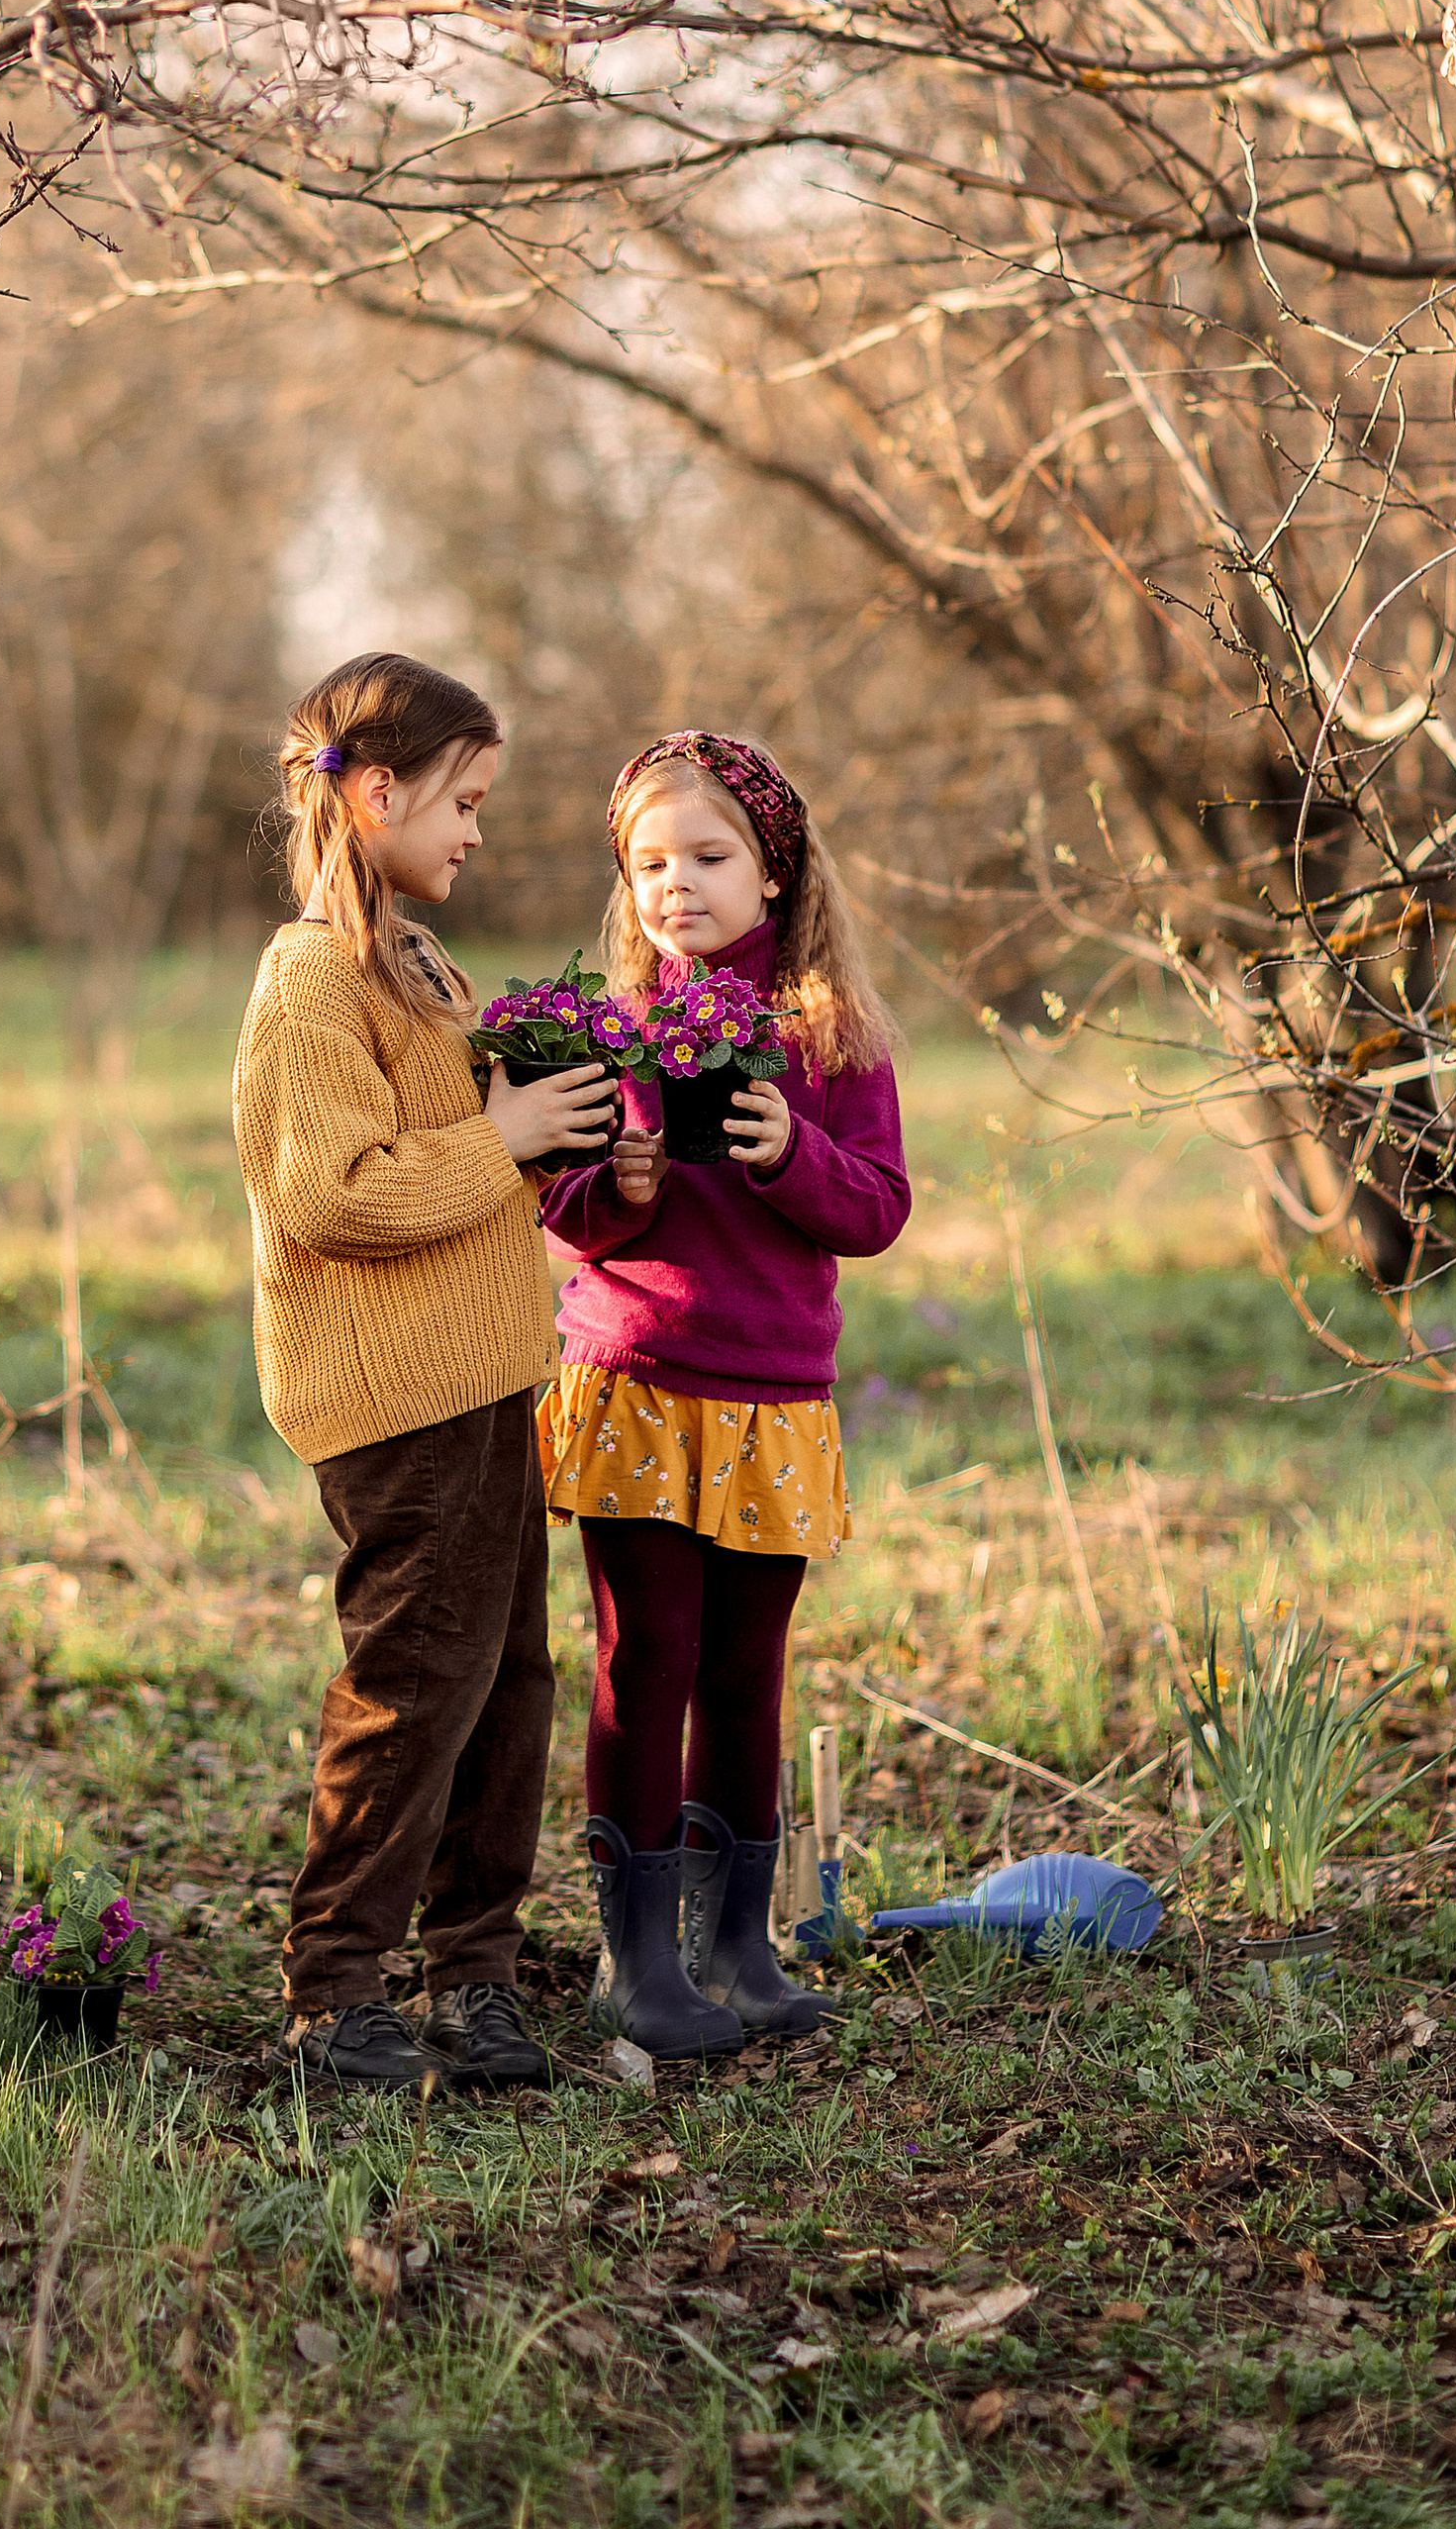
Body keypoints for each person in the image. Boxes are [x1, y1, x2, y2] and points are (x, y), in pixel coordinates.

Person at [234, 648, 619, 2091]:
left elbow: (460, 1165)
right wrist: (502, 1137)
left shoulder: (415, 965)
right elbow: (333, 1192)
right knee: (412, 1686)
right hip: (396, 1401)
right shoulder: (310, 981)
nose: (477, 833)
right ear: (378, 793)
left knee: (505, 1683)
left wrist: (556, 1142)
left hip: (487, 1380)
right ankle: (335, 1991)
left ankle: (472, 1974)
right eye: (464, 802)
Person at [540, 730, 909, 2059]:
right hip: (637, 1382)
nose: (675, 885)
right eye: (648, 864)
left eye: (707, 856)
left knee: (748, 1671)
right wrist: (620, 1192)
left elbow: (878, 1208)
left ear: (774, 871)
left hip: (773, 1399)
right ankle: (637, 1961)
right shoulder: (608, 1034)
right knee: (648, 1660)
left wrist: (788, 1151)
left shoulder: (830, 1038)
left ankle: (735, 1947)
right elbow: (560, 1205)